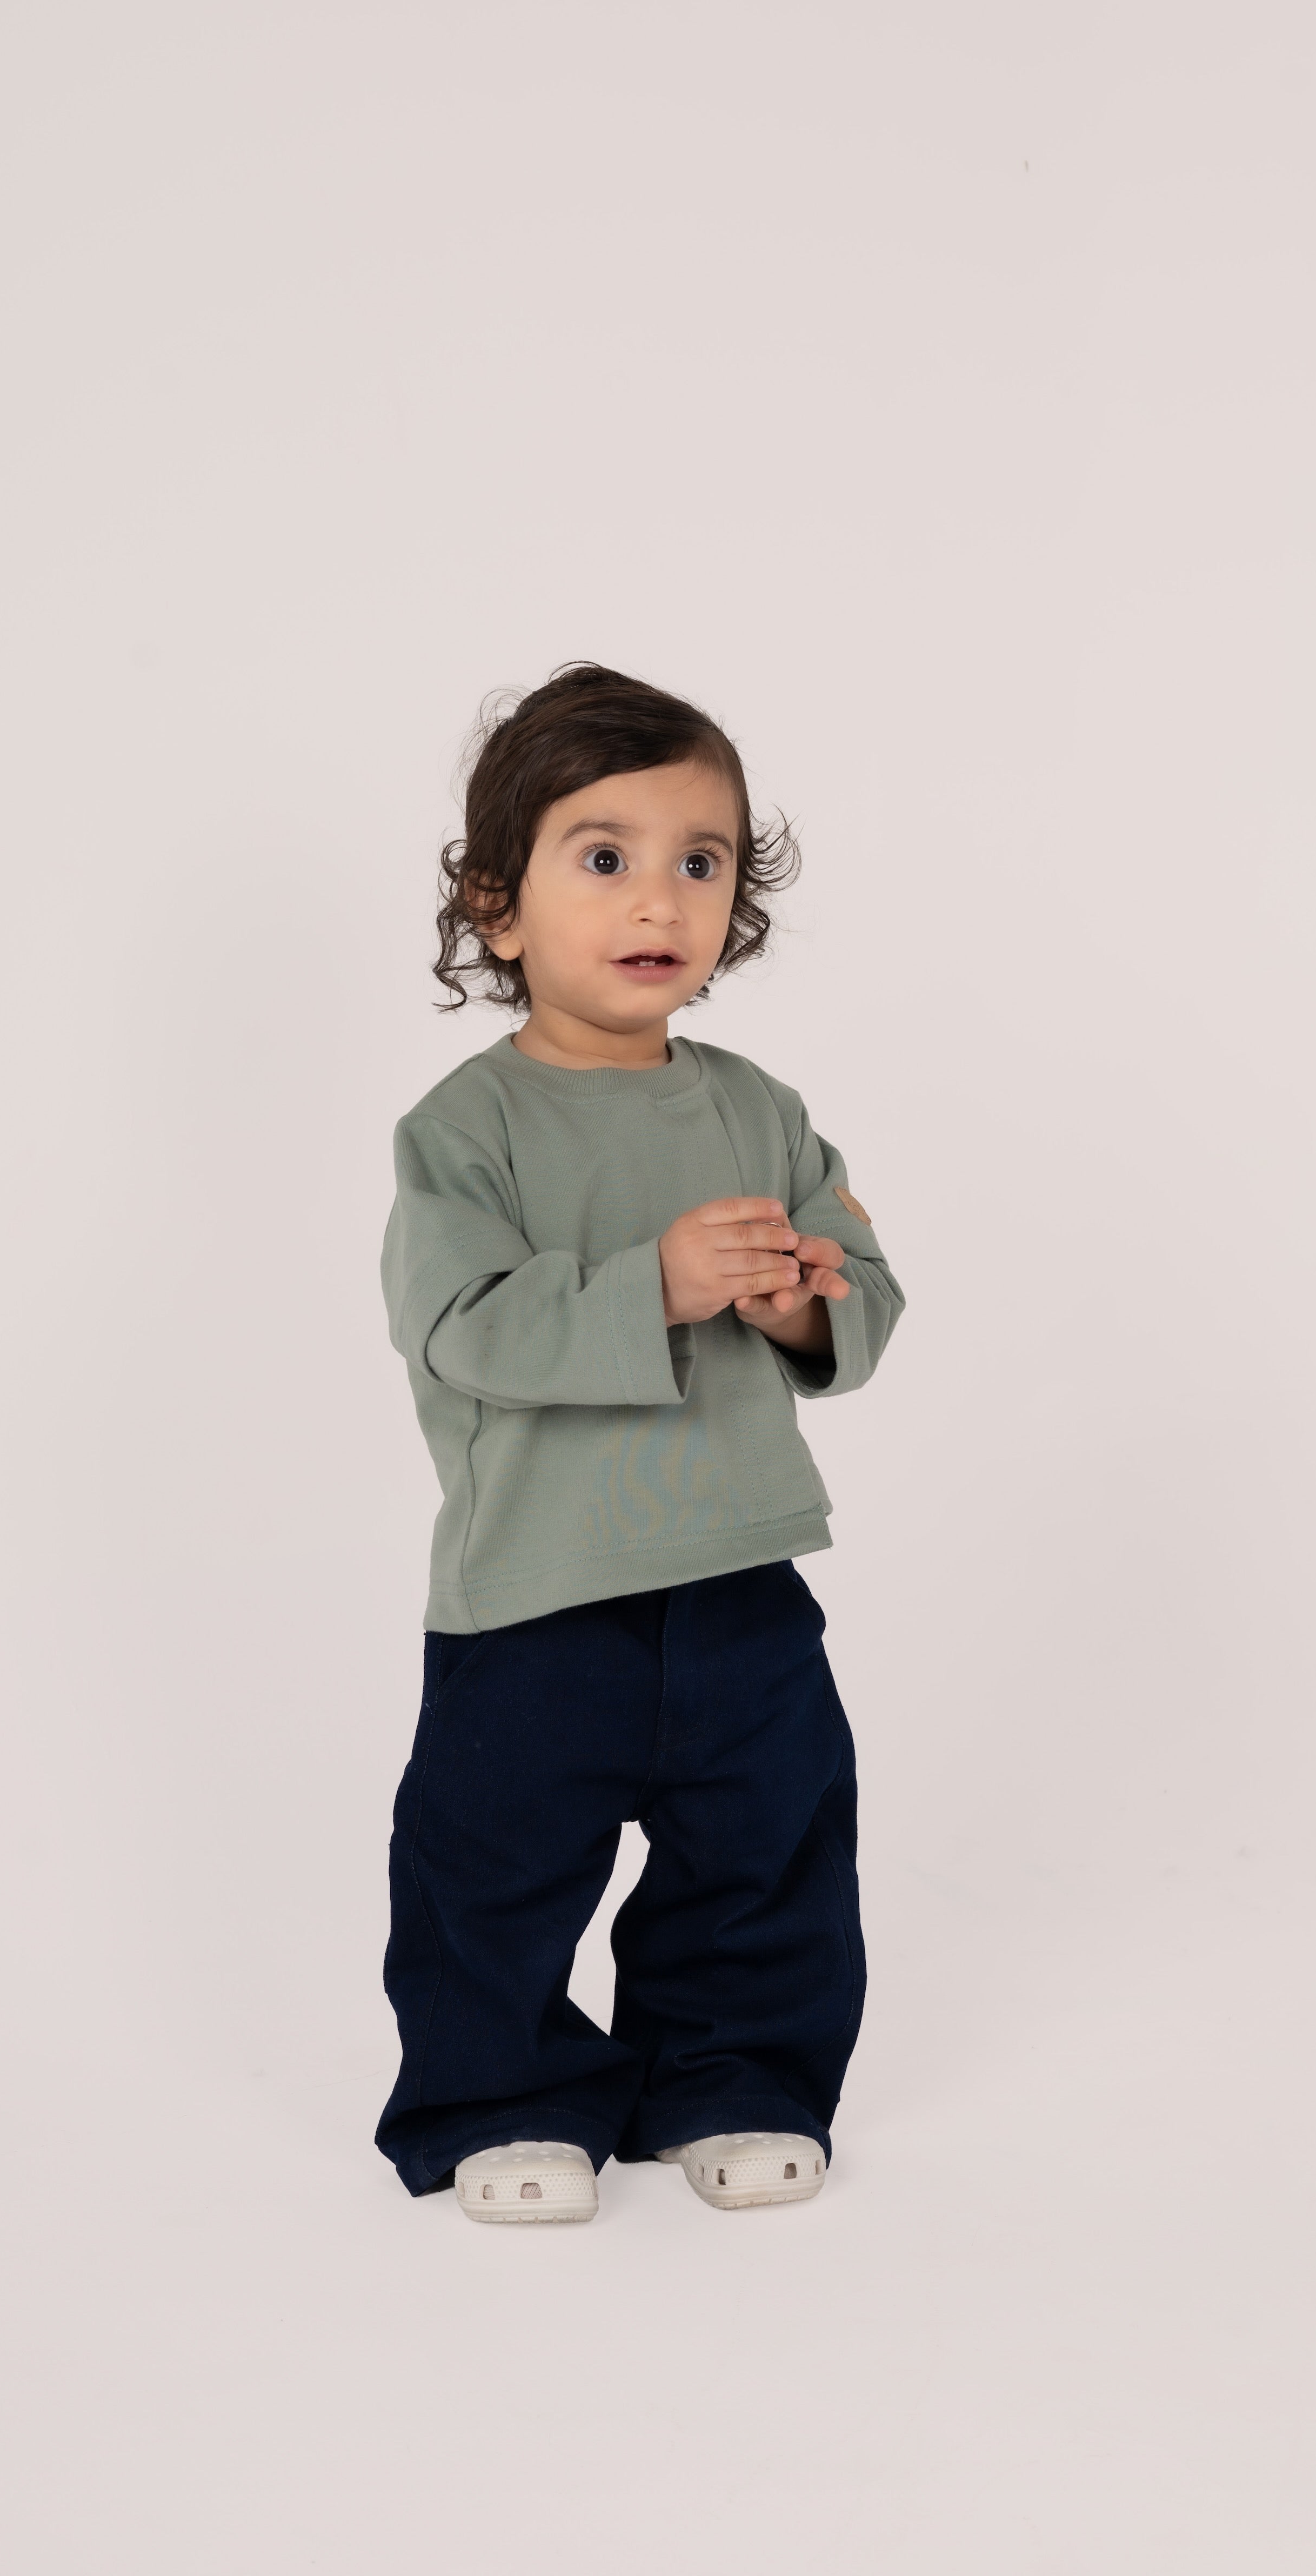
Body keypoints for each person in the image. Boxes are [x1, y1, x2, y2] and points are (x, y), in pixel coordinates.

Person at [375, 662, 905, 2223]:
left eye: (702, 859)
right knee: (498, 1864)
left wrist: (810, 1304)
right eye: (601, 855)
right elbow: (463, 1325)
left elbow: (863, 1291)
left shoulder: (758, 1110)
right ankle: (507, 2096)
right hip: (538, 1588)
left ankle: (734, 2075)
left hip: (738, 1565)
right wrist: (656, 1287)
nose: (656, 894)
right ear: (499, 903)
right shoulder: (465, 1130)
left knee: (767, 1849)